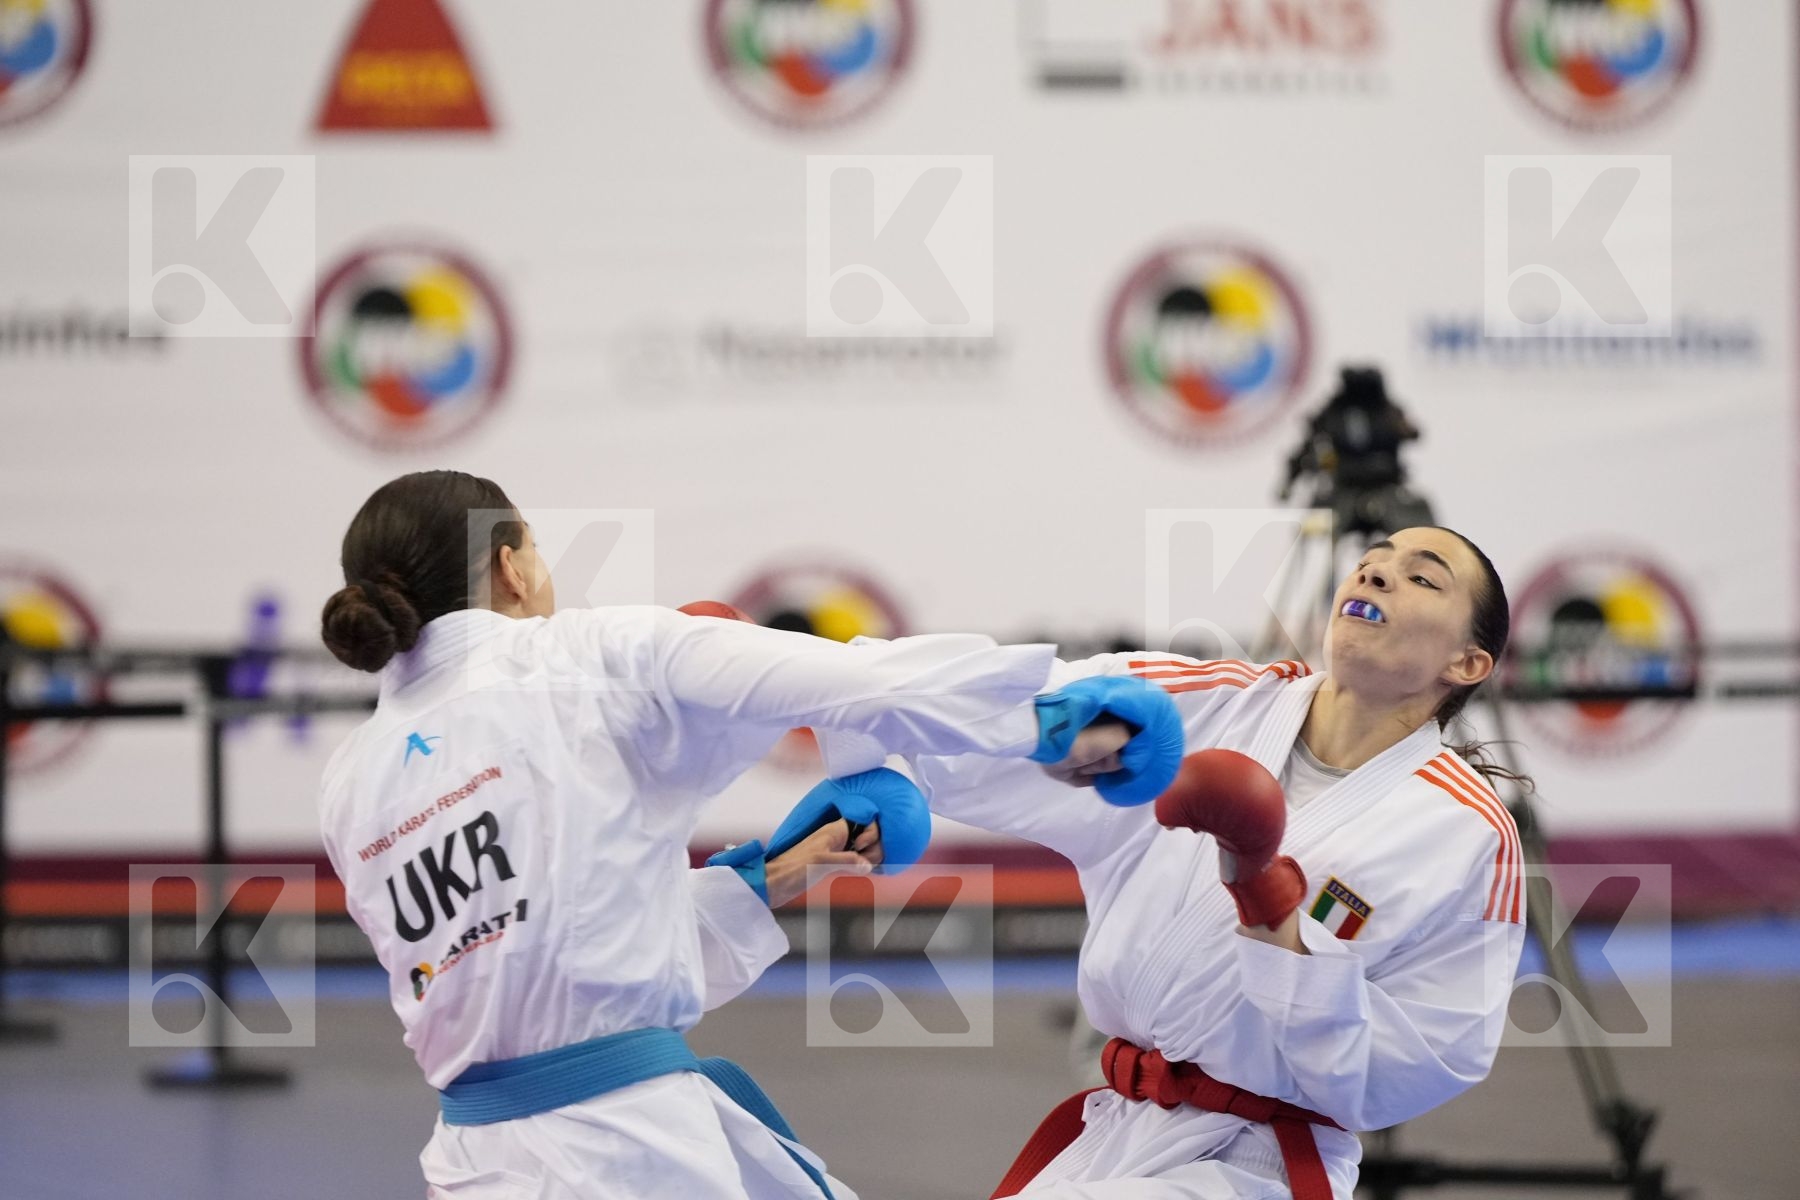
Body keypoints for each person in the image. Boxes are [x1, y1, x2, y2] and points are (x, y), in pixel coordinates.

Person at [314, 470, 1177, 1200]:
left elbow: (541, 967)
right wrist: (1053, 724)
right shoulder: (584, 656)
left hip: (473, 1163)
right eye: (538, 552)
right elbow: (849, 679)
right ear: (510, 567)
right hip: (630, 1152)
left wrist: (765, 880)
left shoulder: (352, 781)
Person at [841, 526, 1528, 1199]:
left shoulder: (1466, 832)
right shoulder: (1211, 705)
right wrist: (789, 686)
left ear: (1467, 664)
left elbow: (1409, 1068)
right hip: (1113, 1131)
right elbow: (1001, 705)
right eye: (1374, 560)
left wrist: (1266, 900)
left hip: (1255, 1165)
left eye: (1422, 577)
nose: (1375, 574)